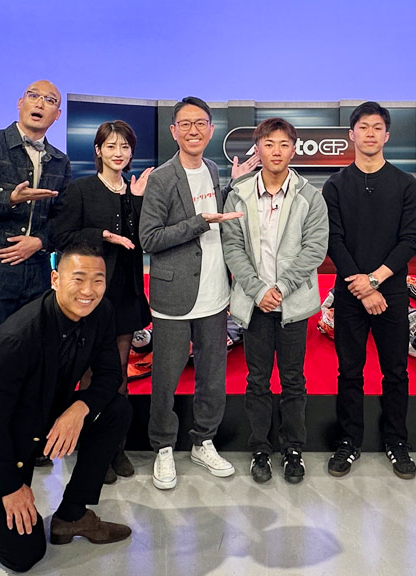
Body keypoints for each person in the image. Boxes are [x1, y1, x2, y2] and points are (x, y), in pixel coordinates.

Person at [0, 244, 133, 573]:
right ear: (55, 279)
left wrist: (79, 408)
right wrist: (9, 488)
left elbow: (110, 375)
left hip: (36, 419)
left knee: (116, 410)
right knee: (25, 555)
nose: (88, 291)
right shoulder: (16, 338)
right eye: (78, 278)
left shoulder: (101, 312)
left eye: (98, 280)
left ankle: (72, 515)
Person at [138, 96, 259, 490]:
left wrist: (235, 184)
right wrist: (198, 223)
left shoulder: (212, 169)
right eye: (185, 124)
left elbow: (221, 216)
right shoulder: (162, 178)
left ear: (210, 129)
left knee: (212, 377)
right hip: (173, 297)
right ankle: (163, 447)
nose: (193, 130)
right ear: (174, 131)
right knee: (165, 380)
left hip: (214, 295)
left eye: (200, 123)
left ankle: (203, 441)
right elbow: (149, 238)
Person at [220, 117, 329, 484]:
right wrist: (258, 291)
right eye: (269, 144)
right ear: (259, 149)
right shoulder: (239, 194)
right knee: (257, 380)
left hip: (292, 305)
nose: (276, 151)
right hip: (254, 306)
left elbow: (315, 249)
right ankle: (260, 449)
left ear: (294, 150)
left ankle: (293, 448)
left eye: (284, 144)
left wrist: (280, 288)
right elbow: (232, 247)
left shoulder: (310, 196)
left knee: (294, 379)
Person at [323, 101, 416, 479]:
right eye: (363, 127)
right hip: (350, 293)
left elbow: (410, 240)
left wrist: (376, 280)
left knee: (395, 371)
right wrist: (362, 287)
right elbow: (333, 240)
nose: (370, 133)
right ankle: (349, 441)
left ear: (387, 135)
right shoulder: (335, 185)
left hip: (392, 293)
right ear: (352, 134)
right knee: (349, 371)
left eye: (377, 127)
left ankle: (396, 441)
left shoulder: (405, 184)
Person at [52, 120, 153, 484]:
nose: (118, 153)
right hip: (89, 296)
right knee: (90, 373)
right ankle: (91, 449)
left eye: (124, 147)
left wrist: (138, 200)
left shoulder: (136, 190)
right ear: (98, 150)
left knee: (120, 374)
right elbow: (61, 236)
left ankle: (115, 447)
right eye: (110, 146)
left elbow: (144, 239)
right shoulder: (81, 190)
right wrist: (103, 235)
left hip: (126, 295)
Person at [0, 80, 71, 390]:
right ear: (20, 103)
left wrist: (40, 241)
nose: (40, 103)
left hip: (35, 270)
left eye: (50, 100)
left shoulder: (60, 160)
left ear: (57, 114)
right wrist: (9, 198)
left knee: (29, 358)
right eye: (34, 96)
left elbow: (63, 217)